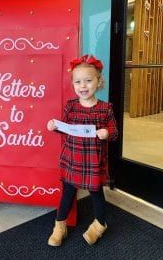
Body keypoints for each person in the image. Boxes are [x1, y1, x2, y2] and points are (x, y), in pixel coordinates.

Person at [47, 54, 118, 247]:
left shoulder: (105, 109)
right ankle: (59, 225)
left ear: (98, 81)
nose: (83, 86)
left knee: (96, 194)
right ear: (73, 84)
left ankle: (99, 224)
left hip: (93, 161)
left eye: (88, 80)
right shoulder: (71, 106)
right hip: (73, 158)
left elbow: (114, 132)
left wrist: (106, 132)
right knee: (68, 192)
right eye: (78, 82)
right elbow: (63, 128)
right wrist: (54, 126)